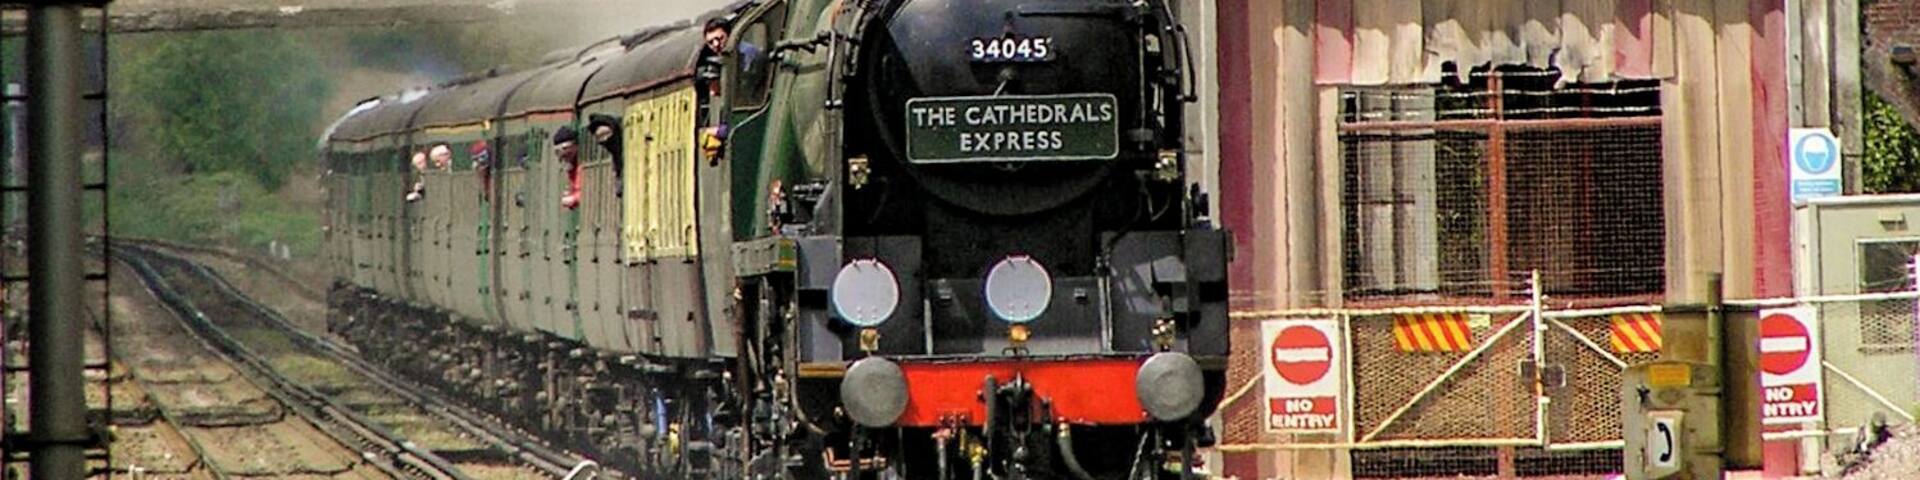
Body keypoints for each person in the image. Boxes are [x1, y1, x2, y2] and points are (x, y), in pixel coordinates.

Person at [587, 114, 625, 197]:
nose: (605, 139)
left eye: (606, 133)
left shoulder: (627, 149)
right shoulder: (614, 157)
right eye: (599, 137)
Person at [554, 126, 583, 210]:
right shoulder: (570, 167)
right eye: (558, 151)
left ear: (576, 146)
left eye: (565, 148)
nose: (563, 153)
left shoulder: (583, 166)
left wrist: (575, 198)